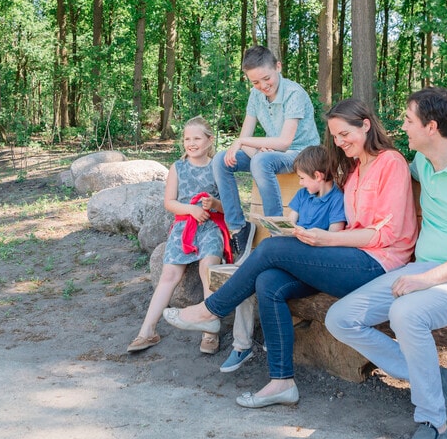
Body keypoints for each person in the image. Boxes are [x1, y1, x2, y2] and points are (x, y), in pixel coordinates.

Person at [163, 98, 418, 408]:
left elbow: (387, 234)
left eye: (344, 134)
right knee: (269, 282)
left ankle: (211, 310)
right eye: (335, 136)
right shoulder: (353, 169)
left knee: (270, 248)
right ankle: (282, 382)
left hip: (377, 265)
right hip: (346, 259)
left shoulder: (390, 162)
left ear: (365, 125)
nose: (339, 142)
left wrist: (325, 239)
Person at [325, 87, 447, 439]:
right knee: (341, 318)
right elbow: (384, 178)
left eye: (408, 120)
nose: (402, 126)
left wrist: (425, 280)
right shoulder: (422, 162)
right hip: (423, 269)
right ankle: (433, 379)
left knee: (405, 312)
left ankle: (436, 424)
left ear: (431, 126)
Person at [219, 144, 347, 374]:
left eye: (302, 178)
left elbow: (334, 238)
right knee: (253, 276)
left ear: (318, 176)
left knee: (254, 272)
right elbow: (289, 222)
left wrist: (309, 237)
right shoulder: (303, 195)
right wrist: (285, 229)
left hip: (313, 261)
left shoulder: (337, 199)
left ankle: (221, 315)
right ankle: (242, 345)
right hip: (292, 253)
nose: (299, 183)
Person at [127, 116, 232, 355]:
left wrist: (214, 203)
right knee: (169, 275)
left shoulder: (218, 166)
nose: (191, 143)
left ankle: (209, 331)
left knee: (208, 270)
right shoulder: (178, 167)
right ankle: (147, 330)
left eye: (197, 138)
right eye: (187, 139)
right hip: (184, 226)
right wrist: (192, 209)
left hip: (211, 226)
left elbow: (230, 207)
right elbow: (169, 202)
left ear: (209, 140)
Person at [214, 45, 321, 263]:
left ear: (278, 67)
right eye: (255, 82)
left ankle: (275, 234)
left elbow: (284, 142)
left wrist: (252, 148)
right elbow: (246, 137)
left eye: (266, 78)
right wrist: (255, 151)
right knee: (220, 160)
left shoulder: (294, 93)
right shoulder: (256, 96)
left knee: (262, 159)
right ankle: (238, 228)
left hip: (303, 154)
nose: (262, 86)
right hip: (275, 154)